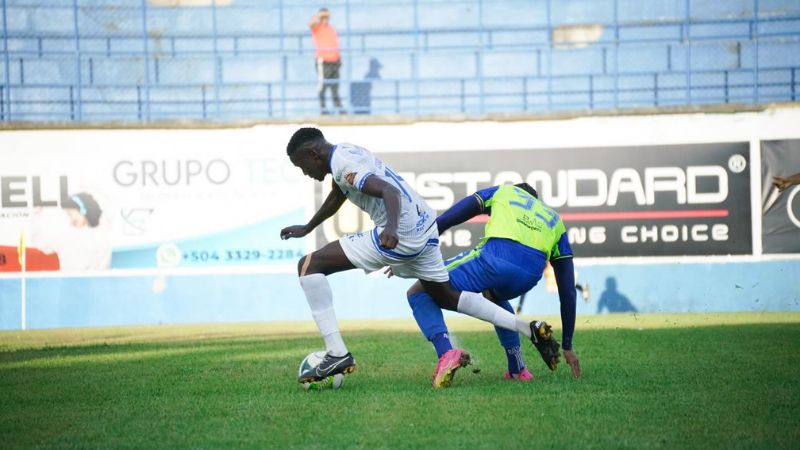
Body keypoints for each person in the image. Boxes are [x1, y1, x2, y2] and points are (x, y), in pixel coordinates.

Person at [280, 128, 556, 385]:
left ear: (313, 155)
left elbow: (388, 190)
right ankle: (525, 328)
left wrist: (389, 228)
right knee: (447, 295)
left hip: (400, 231)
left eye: (301, 166)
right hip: (425, 227)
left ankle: (336, 352)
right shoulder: (347, 152)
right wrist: (309, 227)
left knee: (308, 266)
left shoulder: (343, 164)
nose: (304, 173)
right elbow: (339, 192)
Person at [401, 183, 581, 386]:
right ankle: (518, 368)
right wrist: (567, 345)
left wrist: (419, 243)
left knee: (419, 292)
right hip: (528, 276)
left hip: (496, 259)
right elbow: (568, 290)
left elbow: (457, 213)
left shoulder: (505, 191)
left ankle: (446, 354)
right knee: (494, 296)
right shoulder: (554, 220)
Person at [29, 192, 112, 271]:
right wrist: (35, 219)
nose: (70, 220)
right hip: (70, 285)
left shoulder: (103, 235)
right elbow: (42, 244)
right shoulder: (66, 236)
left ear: (83, 210)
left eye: (70, 214)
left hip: (94, 284)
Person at [308, 8, 344, 115]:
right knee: (322, 85)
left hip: (334, 61)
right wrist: (319, 15)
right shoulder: (317, 28)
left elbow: (335, 44)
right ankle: (323, 109)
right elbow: (310, 23)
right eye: (323, 17)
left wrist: (338, 58)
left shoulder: (331, 29)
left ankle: (339, 107)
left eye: (327, 17)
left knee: (335, 86)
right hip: (323, 61)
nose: (325, 19)